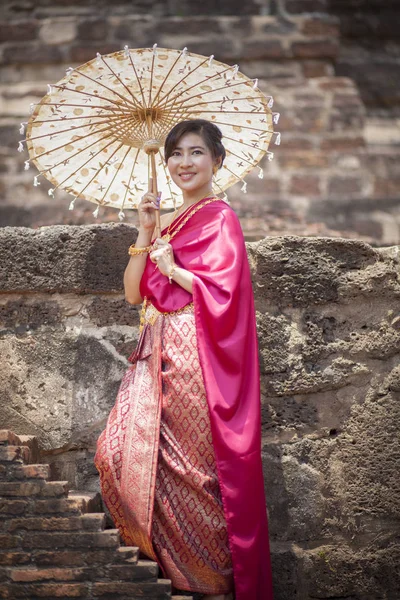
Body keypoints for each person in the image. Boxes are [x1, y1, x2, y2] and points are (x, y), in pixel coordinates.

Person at [94, 119, 273, 600]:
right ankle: (178, 570)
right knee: (114, 454)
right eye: (175, 154)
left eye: (196, 153)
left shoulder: (220, 218)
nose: (184, 163)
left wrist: (176, 270)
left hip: (196, 351)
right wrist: (146, 230)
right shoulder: (168, 221)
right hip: (153, 347)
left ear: (218, 161)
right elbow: (134, 293)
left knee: (192, 470)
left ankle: (208, 583)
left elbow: (226, 292)